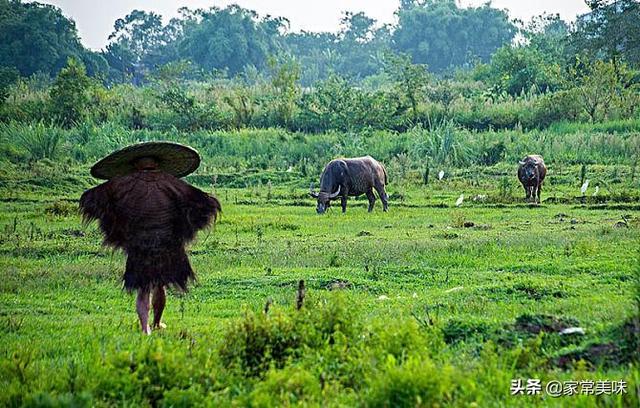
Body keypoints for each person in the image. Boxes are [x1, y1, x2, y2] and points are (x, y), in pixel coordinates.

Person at [80, 142, 221, 334]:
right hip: (167, 244)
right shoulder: (171, 182)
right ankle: (156, 323)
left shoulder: (122, 184)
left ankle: (145, 328)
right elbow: (205, 203)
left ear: (136, 165)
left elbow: (90, 199)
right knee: (160, 285)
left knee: (143, 288)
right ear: (157, 164)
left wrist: (121, 219)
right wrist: (179, 226)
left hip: (139, 243)